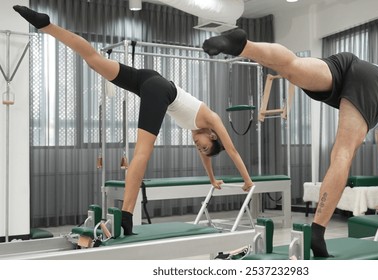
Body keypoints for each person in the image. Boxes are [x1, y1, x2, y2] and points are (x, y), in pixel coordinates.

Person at [202, 28, 378, 257]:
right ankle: (317, 231)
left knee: (292, 68)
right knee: (343, 153)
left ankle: (242, 45)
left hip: (350, 66)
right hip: (372, 83)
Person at [14, 6, 254, 236]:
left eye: (200, 148)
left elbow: (206, 157)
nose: (198, 145)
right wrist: (247, 180)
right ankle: (127, 215)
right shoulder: (212, 118)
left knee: (94, 60)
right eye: (203, 145)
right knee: (142, 152)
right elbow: (232, 149)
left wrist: (212, 179)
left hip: (149, 80)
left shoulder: (199, 129)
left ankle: (46, 25)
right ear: (212, 135)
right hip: (160, 90)